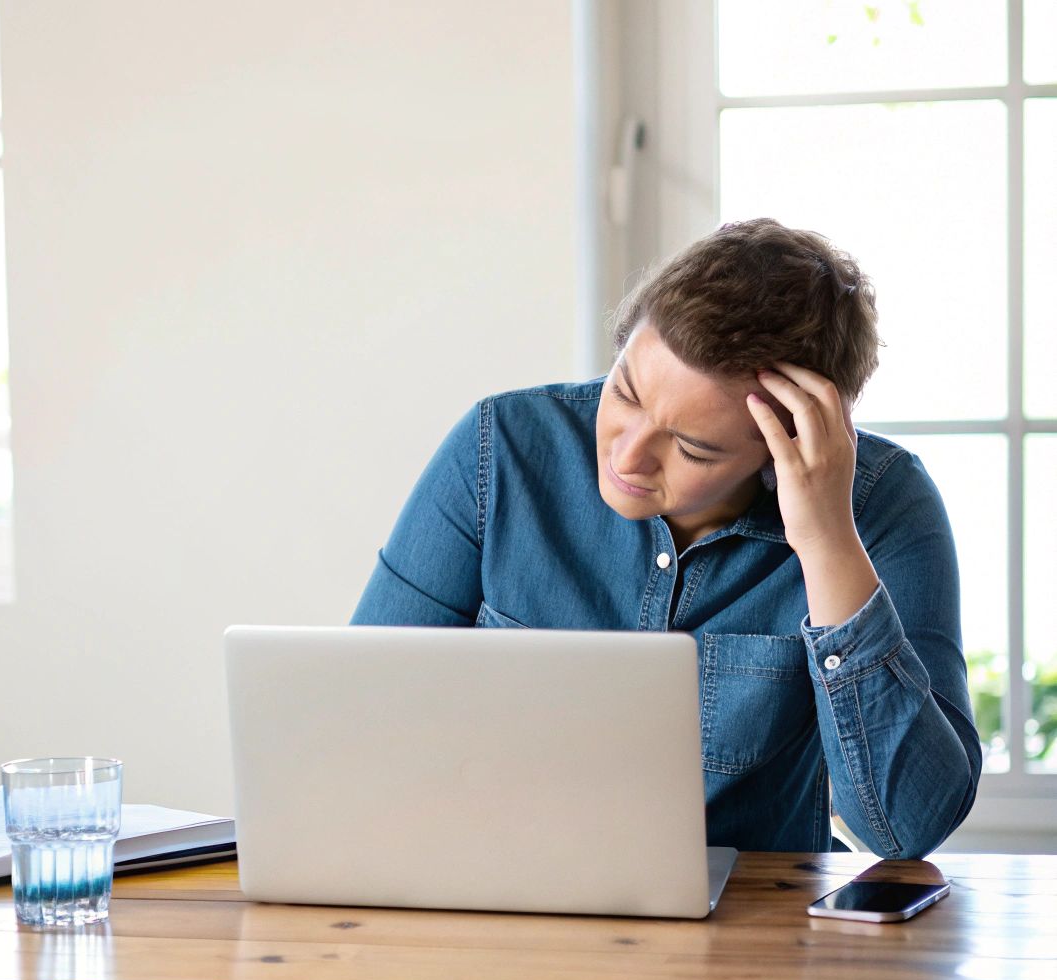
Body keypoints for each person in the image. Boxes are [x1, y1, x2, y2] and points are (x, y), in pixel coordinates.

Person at [351, 218, 982, 859]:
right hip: (491, 885)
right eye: (624, 394)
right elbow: (359, 714)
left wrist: (825, 542)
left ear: (778, 453)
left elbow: (905, 827)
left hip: (749, 926)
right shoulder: (501, 450)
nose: (628, 457)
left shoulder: (880, 505)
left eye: (691, 447)